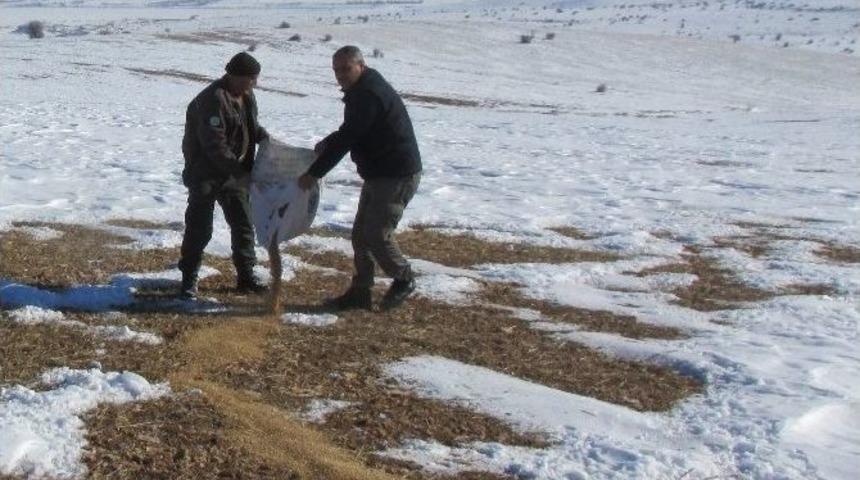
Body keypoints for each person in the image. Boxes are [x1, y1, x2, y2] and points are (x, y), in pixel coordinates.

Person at [299, 45, 422, 311]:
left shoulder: (368, 94)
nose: (340, 75)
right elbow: (353, 130)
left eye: (346, 69)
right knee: (360, 235)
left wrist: (314, 173)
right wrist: (329, 141)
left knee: (376, 233)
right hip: (379, 173)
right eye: (336, 70)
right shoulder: (362, 90)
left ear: (361, 66)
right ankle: (360, 292)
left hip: (396, 174)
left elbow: (349, 137)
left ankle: (404, 278)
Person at [178, 51, 269, 299]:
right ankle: (189, 279)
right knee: (199, 228)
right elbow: (214, 145)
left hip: (233, 174)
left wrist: (267, 140)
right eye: (251, 79)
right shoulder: (212, 100)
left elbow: (250, 126)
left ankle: (246, 276)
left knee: (243, 224)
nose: (254, 83)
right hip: (205, 174)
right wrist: (240, 172)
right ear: (235, 76)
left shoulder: (246, 96)